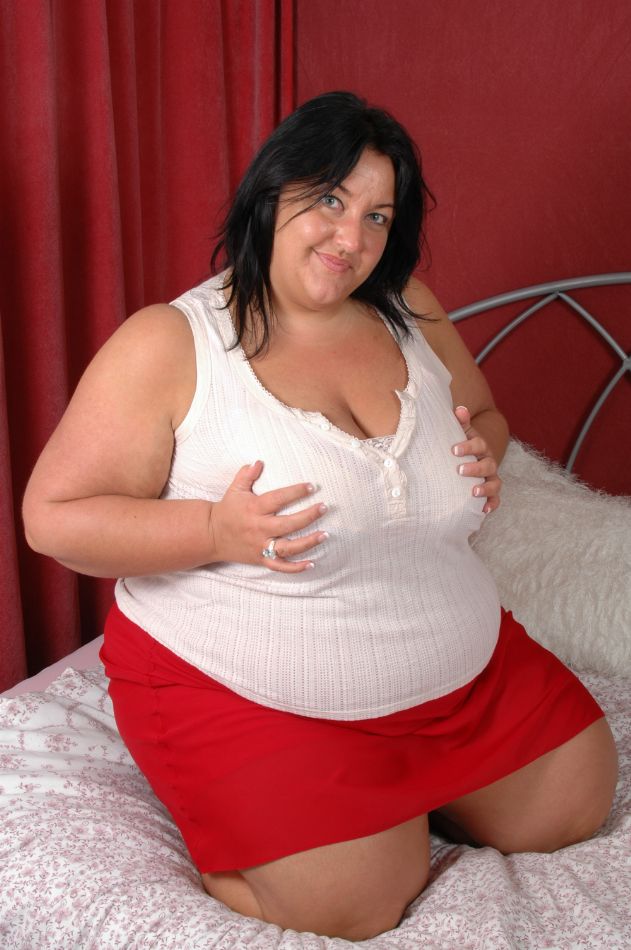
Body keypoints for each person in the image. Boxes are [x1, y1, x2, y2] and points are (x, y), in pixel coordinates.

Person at [23, 91, 617, 941]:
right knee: (350, 906)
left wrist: (482, 455)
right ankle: (271, 824)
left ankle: (407, 794)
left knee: (573, 805)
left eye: (377, 216)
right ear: (271, 192)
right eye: (330, 200)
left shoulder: (409, 308)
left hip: (455, 674)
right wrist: (212, 531)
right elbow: (53, 518)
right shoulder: (170, 343)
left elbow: (482, 416)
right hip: (254, 691)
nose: (351, 238)